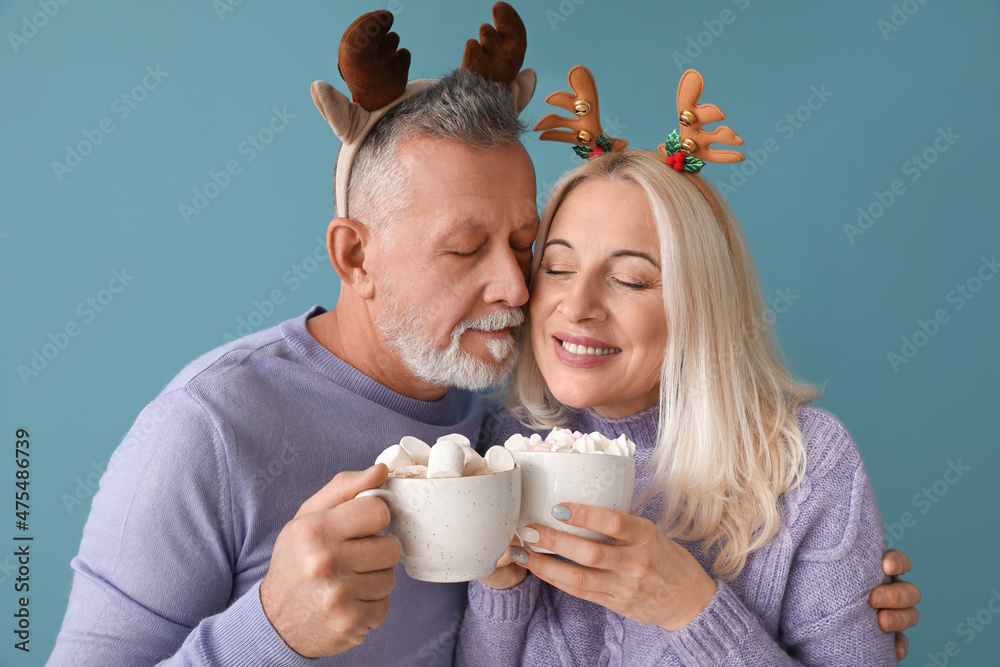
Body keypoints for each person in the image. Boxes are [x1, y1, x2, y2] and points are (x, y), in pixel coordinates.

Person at [48, 14, 919, 663]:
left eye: (522, 245)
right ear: (356, 255)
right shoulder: (207, 430)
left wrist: (714, 610)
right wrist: (267, 632)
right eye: (467, 249)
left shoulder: (494, 426)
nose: (522, 290)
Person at [456, 141, 914, 664]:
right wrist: (499, 592)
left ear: (702, 305)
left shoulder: (808, 467)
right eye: (558, 268)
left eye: (629, 279)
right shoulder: (497, 447)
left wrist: (688, 608)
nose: (577, 306)